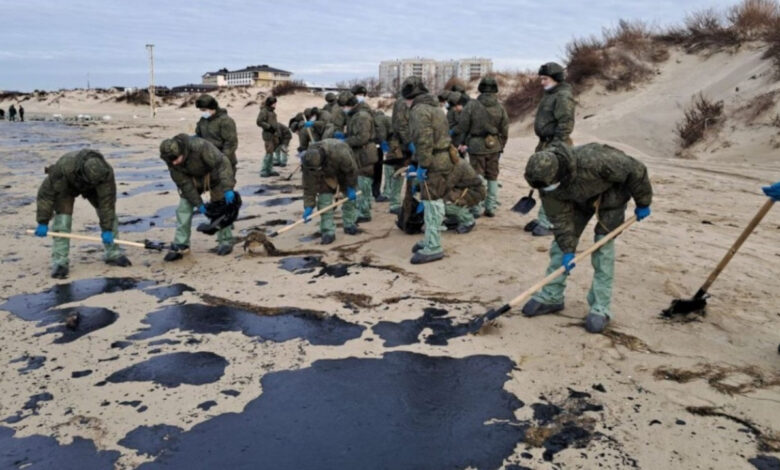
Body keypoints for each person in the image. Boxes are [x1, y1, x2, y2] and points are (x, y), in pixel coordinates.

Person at [521, 142, 653, 333]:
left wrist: (643, 202)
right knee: (559, 247)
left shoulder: (596, 161)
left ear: (560, 174)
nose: (548, 190)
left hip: (611, 200)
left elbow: (636, 170)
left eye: (550, 186)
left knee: (602, 249)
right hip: (578, 202)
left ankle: (600, 307)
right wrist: (568, 249)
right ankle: (552, 296)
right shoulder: (545, 183)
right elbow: (560, 219)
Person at [34, 149, 131, 279]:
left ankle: (112, 253)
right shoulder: (63, 168)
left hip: (93, 187)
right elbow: (46, 195)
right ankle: (60, 262)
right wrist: (43, 221)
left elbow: (107, 204)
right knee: (63, 222)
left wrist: (107, 229)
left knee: (109, 215)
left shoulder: (105, 174)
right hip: (66, 187)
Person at [159, 134, 237, 261]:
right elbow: (184, 184)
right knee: (183, 209)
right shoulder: (171, 161)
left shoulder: (199, 146)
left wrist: (228, 188)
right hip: (192, 182)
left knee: (221, 207)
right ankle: (181, 244)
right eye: (171, 161)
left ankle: (226, 241)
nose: (174, 163)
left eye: (176, 159)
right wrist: (198, 204)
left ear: (182, 152)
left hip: (214, 178)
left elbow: (222, 163)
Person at [404, 76, 455, 264]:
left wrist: (422, 164)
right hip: (442, 158)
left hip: (432, 161)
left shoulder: (419, 111)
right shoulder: (436, 108)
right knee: (434, 200)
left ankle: (433, 246)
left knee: (432, 202)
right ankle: (430, 239)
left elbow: (424, 141)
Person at [526, 62, 576, 237]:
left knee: (552, 184)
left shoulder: (563, 96)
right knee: (542, 180)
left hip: (555, 145)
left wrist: (556, 147)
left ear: (555, 78)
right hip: (545, 143)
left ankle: (549, 221)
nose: (542, 82)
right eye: (541, 78)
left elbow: (566, 124)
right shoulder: (550, 94)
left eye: (545, 79)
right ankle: (543, 217)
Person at [454, 76, 509, 218]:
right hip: (494, 146)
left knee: (476, 176)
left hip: (476, 146)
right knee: (493, 176)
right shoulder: (500, 107)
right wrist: (500, 145)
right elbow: (505, 130)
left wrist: (461, 143)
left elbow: (463, 126)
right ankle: (490, 207)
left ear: (480, 89)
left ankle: (477, 207)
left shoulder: (471, 106)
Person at [301, 139, 360, 244]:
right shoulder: (308, 162)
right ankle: (328, 231)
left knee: (349, 199)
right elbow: (309, 186)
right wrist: (308, 206)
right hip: (324, 174)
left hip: (344, 170)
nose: (313, 171)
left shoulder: (340, 152)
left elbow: (352, 170)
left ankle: (349, 223)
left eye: (316, 168)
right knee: (324, 200)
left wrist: (350, 186)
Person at [340, 91, 377, 224]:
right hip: (359, 153)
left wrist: (345, 141)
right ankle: (362, 209)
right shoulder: (355, 115)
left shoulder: (361, 116)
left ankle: (364, 212)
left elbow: (362, 138)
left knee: (363, 183)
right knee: (360, 182)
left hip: (365, 153)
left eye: (343, 106)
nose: (342, 109)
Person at [383, 93, 412, 215]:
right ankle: (395, 203)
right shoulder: (402, 103)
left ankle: (407, 201)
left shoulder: (405, 103)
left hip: (404, 143)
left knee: (408, 173)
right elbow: (401, 126)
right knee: (398, 173)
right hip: (400, 145)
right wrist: (409, 142)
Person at [194, 94, 238, 173]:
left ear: (212, 107)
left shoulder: (225, 121)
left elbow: (231, 143)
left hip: (224, 161)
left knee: (225, 184)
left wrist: (222, 160)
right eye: (201, 110)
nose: (203, 112)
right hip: (208, 161)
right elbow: (198, 135)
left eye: (204, 110)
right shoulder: (203, 120)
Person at [444, 158, 485, 234]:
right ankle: (455, 219)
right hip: (466, 190)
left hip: (473, 192)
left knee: (444, 204)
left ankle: (468, 221)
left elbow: (448, 184)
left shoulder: (457, 165)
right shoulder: (451, 161)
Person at [256, 96, 279, 177]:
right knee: (269, 152)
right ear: (271, 103)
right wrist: (268, 127)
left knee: (272, 152)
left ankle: (270, 169)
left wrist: (276, 132)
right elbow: (259, 121)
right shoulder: (264, 111)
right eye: (274, 103)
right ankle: (264, 170)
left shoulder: (272, 112)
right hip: (268, 135)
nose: (276, 104)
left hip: (274, 135)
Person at [373, 110, 392, 199]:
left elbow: (381, 132)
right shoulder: (386, 119)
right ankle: (380, 193)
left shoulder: (377, 119)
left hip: (378, 146)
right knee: (380, 171)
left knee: (375, 170)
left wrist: (382, 142)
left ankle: (376, 193)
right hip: (386, 145)